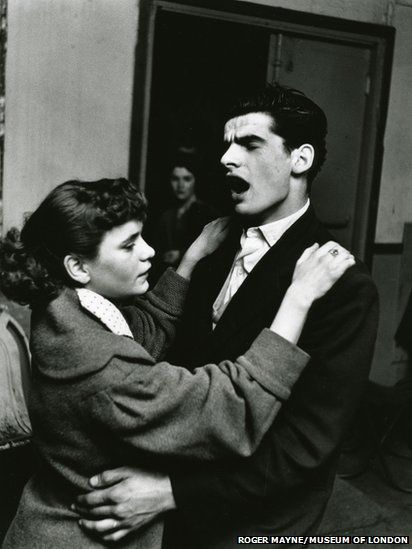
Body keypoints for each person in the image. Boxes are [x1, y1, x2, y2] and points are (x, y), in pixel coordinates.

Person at [74, 84, 379, 548]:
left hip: (259, 521)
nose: (226, 159)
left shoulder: (343, 286)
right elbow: (170, 365)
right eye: (227, 144)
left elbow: (303, 448)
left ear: (300, 159)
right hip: (177, 495)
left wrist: (171, 493)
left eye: (250, 144)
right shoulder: (212, 248)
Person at [0, 177, 353, 548]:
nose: (148, 252)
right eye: (129, 245)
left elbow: (139, 337)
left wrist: (191, 259)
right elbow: (233, 409)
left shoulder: (62, 309)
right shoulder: (107, 370)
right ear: (77, 266)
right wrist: (298, 298)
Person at [152, 152, 218, 272]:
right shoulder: (166, 216)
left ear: (195, 180)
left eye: (187, 179)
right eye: (175, 179)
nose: (180, 185)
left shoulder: (207, 213)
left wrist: (180, 254)